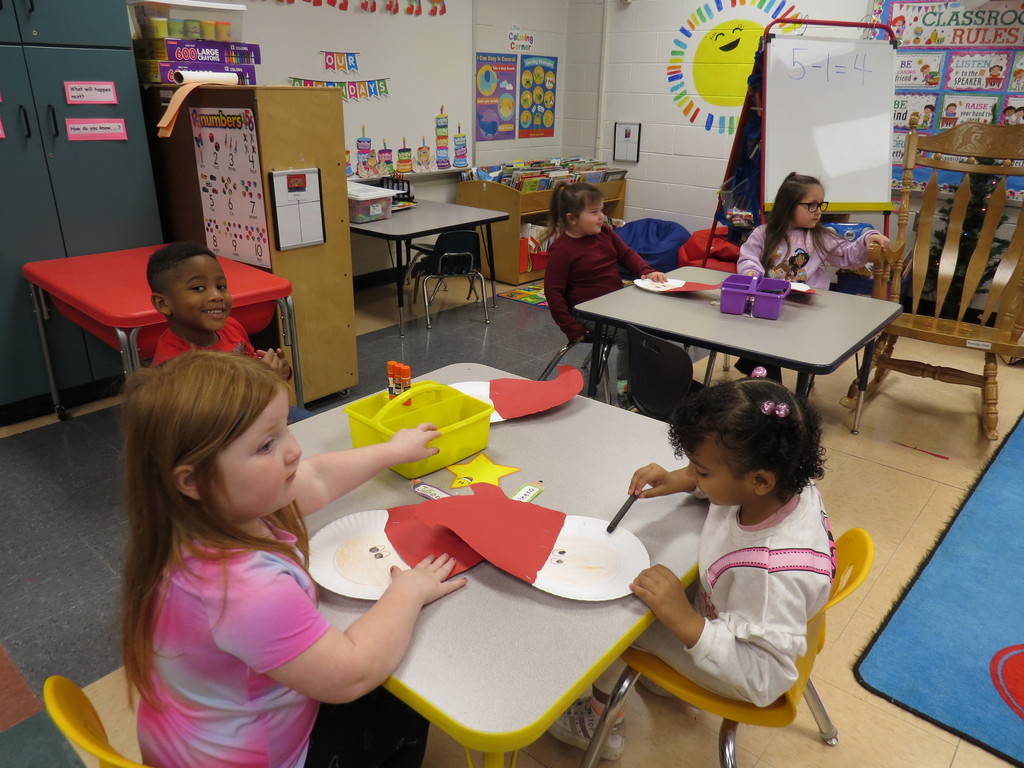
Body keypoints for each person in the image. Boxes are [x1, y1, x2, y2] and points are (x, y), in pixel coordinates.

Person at [120, 351, 466, 768]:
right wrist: (407, 592)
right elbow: (351, 673)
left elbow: (317, 478)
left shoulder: (194, 516)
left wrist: (393, 451)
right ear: (192, 480)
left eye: (285, 429)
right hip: (256, 758)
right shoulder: (244, 589)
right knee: (404, 702)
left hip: (190, 733)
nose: (294, 451)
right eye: (267, 444)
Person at [548, 371, 835, 760]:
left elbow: (764, 679)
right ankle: (664, 672)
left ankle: (601, 723)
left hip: (743, 666)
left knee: (616, 614)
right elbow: (730, 479)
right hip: (738, 617)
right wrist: (682, 479)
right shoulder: (785, 477)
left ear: (760, 481)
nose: (694, 473)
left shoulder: (772, 575)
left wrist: (686, 622)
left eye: (701, 470)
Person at [733, 172, 889, 379]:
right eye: (811, 205)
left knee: (776, 342)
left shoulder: (820, 236)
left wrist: (869, 236)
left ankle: (767, 380)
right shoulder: (764, 233)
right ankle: (765, 382)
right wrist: (753, 275)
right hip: (771, 305)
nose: (818, 212)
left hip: (805, 310)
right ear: (789, 205)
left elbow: (849, 256)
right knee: (760, 335)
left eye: (821, 205)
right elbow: (748, 258)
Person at [541, 182, 668, 406]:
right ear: (572, 218)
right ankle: (625, 392)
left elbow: (627, 254)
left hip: (613, 305)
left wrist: (647, 271)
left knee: (651, 320)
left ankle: (648, 378)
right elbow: (553, 293)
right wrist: (571, 328)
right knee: (628, 335)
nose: (602, 216)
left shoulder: (605, 234)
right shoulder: (562, 250)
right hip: (587, 313)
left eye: (601, 210)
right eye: (594, 212)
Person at [147, 242, 291, 376]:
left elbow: (252, 364)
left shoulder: (231, 326)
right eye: (198, 288)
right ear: (162, 303)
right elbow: (222, 403)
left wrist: (278, 369)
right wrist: (265, 380)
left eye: (221, 286)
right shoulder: (174, 367)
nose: (217, 296)